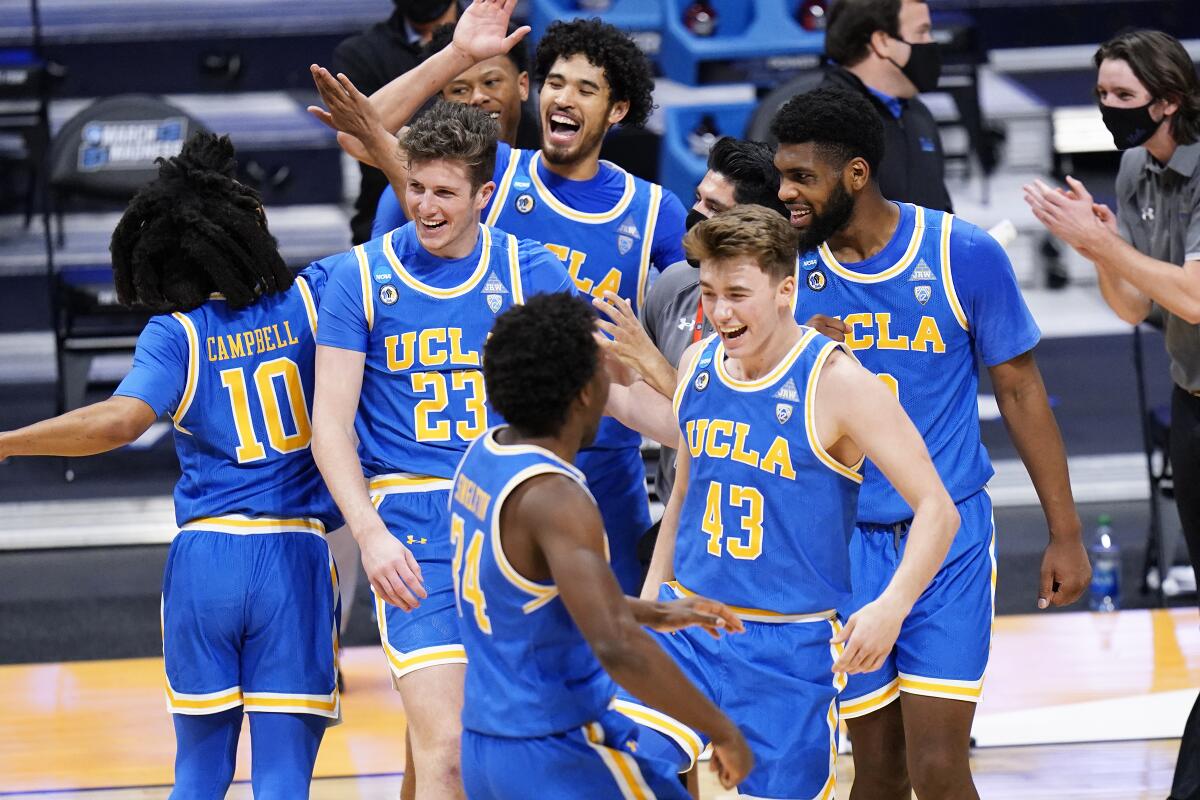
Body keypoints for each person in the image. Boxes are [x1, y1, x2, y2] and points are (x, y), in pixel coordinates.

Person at [0, 133, 343, 797]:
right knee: (281, 782)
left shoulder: (174, 333)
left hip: (205, 559)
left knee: (197, 776)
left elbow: (121, 421)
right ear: (248, 227)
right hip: (294, 560)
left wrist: (9, 441)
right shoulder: (312, 298)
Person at [773, 86, 1090, 799]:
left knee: (940, 770)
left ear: (855, 174)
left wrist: (1065, 532)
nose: (786, 192)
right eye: (781, 175)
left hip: (945, 539)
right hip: (841, 544)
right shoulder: (787, 274)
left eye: (802, 177)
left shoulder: (961, 254)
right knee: (877, 771)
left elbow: (1021, 394)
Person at [319, 9, 688, 595]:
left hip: (607, 453)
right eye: (556, 83)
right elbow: (361, 131)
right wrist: (457, 54)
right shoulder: (496, 171)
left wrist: (672, 375)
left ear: (617, 110)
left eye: (585, 89)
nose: (563, 98)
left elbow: (719, 294)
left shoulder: (653, 211)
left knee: (613, 661)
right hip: (507, 455)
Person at [605, 204, 960, 798]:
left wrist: (892, 606)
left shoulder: (838, 383)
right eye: (711, 293)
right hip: (688, 625)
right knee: (619, 763)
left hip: (786, 650)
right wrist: (648, 608)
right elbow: (685, 497)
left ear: (785, 289)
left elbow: (937, 508)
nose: (720, 311)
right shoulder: (697, 364)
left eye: (738, 294)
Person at [310, 94, 575, 800]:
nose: (426, 206)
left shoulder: (529, 270)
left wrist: (691, 411)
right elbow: (328, 426)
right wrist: (368, 536)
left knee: (521, 753)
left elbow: (595, 389)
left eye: (445, 193)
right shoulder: (358, 277)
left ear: (484, 196)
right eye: (416, 187)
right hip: (412, 530)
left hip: (509, 521)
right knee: (447, 751)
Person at [449, 291, 753, 798]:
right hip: (556, 748)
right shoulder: (554, 496)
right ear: (586, 393)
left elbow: (531, 601)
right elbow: (614, 644)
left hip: (486, 746)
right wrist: (724, 732)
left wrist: (656, 614)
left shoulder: (484, 455)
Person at [1022, 29, 1200, 800]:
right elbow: (1133, 307)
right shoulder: (1134, 169)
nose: (1109, 110)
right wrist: (1100, 248)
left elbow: (1195, 297)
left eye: (1123, 98)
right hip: (1192, 404)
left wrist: (1104, 242)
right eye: (1102, 96)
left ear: (1170, 100)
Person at [595, 136, 787, 507]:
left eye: (714, 207)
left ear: (755, 224)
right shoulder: (673, 284)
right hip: (677, 512)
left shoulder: (781, 309)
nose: (696, 214)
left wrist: (650, 362)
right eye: (698, 198)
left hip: (753, 520)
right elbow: (641, 393)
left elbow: (725, 430)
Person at [332, 0, 461, 244]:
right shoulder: (359, 54)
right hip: (385, 234)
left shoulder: (498, 39)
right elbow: (359, 138)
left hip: (486, 215)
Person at [820, 0, 952, 212]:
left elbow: (941, 213)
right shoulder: (825, 121)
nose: (931, 42)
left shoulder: (917, 114)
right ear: (882, 42)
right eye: (922, 32)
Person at [422, 21, 540, 149]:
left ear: (522, 86)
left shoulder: (553, 160)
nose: (477, 97)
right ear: (441, 100)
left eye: (490, 82)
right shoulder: (418, 164)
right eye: (460, 90)